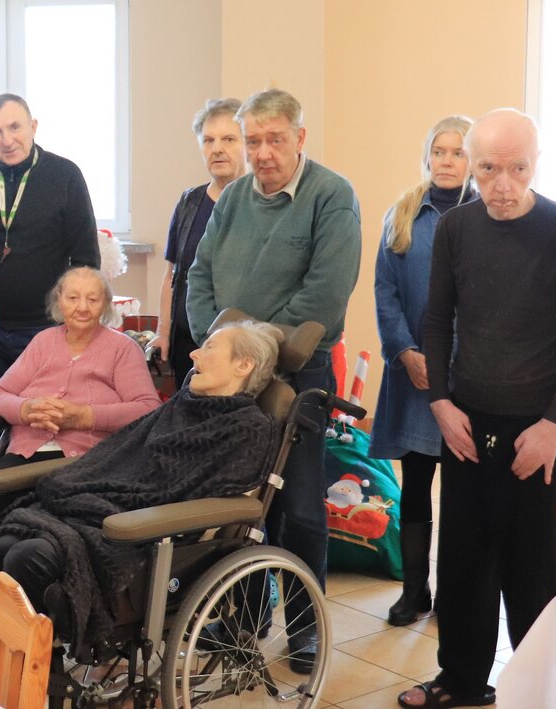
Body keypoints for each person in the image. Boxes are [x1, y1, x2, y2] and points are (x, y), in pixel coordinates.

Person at [402, 109, 556, 709]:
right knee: (464, 560)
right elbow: (436, 322)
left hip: (541, 429)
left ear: (537, 163)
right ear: (472, 164)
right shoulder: (457, 228)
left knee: (534, 567)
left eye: (517, 169)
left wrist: (552, 427)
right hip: (468, 422)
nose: (503, 186)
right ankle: (462, 680)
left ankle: (539, 686)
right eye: (488, 169)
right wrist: (441, 402)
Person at [185, 88, 361, 672]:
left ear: (299, 138)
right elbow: (199, 276)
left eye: (274, 140)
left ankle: (306, 627)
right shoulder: (234, 198)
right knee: (240, 503)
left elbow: (324, 297)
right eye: (253, 140)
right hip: (231, 376)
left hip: (298, 371)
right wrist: (219, 348)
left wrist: (250, 352)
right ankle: (245, 617)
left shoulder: (332, 197)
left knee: (300, 507)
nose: (262, 153)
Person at [0, 321, 281, 656]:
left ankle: (35, 667)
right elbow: (123, 454)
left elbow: (184, 492)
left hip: (148, 538)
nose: (194, 354)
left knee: (27, 557)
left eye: (209, 348)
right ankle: (15, 663)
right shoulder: (183, 405)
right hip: (108, 514)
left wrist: (125, 509)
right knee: (4, 544)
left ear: (243, 365)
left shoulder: (248, 429)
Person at [372, 115, 476, 627]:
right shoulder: (404, 214)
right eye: (440, 151)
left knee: (461, 492)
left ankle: (455, 592)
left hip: (470, 379)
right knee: (415, 484)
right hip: (413, 373)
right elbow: (385, 290)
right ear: (427, 157)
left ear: (473, 160)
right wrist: (403, 351)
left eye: (458, 152)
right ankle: (414, 592)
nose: (448, 160)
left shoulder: (486, 214)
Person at [0, 93, 99, 464]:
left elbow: (86, 259)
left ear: (33, 126)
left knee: (43, 425)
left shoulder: (65, 175)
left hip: (45, 331)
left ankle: (39, 496)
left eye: (15, 128)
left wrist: (76, 327)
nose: (6, 140)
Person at [0, 266, 159, 469]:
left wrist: (85, 416)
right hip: (25, 453)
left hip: (91, 459)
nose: (82, 307)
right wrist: (26, 409)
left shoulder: (123, 348)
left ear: (105, 303)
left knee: (55, 487)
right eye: (73, 298)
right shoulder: (43, 341)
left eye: (92, 299)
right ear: (59, 300)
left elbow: (148, 408)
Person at [162, 98, 245, 374]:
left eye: (229, 139)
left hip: (240, 349)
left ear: (248, 144)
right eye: (208, 140)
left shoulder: (261, 203)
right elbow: (172, 276)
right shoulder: (189, 202)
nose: (217, 149)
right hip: (188, 345)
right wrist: (163, 333)